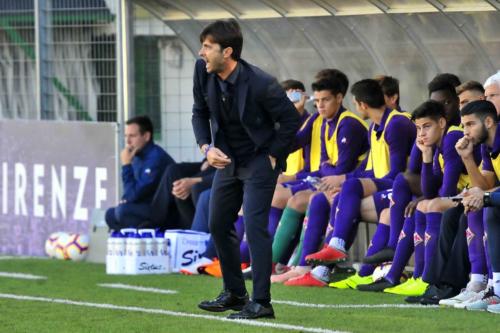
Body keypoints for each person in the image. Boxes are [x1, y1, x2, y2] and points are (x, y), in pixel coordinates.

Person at [192, 19, 301, 320]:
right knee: (218, 223)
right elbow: (199, 113)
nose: (201, 52)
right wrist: (206, 148)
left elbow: (292, 120)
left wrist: (273, 155)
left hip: (259, 160)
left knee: (254, 228)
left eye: (207, 46)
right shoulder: (202, 71)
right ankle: (235, 293)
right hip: (226, 159)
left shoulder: (260, 83)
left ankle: (262, 301)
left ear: (227, 52)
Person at [456, 100, 500, 313]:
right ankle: (488, 285)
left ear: (489, 121)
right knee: (477, 205)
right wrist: (467, 159)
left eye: (470, 124)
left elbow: (487, 193)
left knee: (488, 204)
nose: (466, 132)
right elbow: (485, 186)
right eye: (463, 125)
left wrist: (484, 197)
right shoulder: (486, 147)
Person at [105, 116, 175, 230]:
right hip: (146, 206)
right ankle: (132, 241)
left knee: (122, 211)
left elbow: (135, 194)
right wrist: (126, 200)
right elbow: (131, 195)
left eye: (132, 136)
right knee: (110, 214)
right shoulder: (137, 155)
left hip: (163, 212)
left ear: (146, 136)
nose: (128, 141)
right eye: (126, 136)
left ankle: (147, 238)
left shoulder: (155, 157)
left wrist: (126, 165)